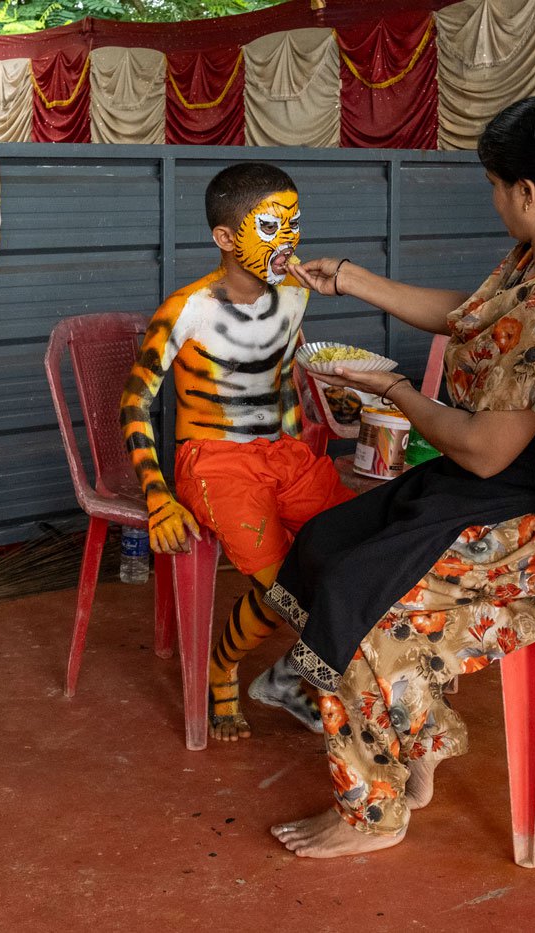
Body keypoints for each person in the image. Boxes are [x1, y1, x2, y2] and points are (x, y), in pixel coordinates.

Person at [265, 94, 535, 858]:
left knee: (360, 598)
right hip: (490, 488)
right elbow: (471, 316)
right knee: (327, 541)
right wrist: (354, 280)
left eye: (495, 187)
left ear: (528, 193)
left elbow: (481, 448)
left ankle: (373, 809)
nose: (494, 201)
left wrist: (390, 389)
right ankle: (421, 729)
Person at [119, 163, 354, 742]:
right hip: (213, 459)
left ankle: (297, 675)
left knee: (361, 550)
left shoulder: (297, 295)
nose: (288, 242)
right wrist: (159, 501)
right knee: (288, 588)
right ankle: (222, 670)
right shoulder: (186, 309)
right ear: (225, 238)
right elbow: (133, 405)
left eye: (293, 225)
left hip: (282, 454)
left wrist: (313, 430)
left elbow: (284, 379)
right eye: (271, 227)